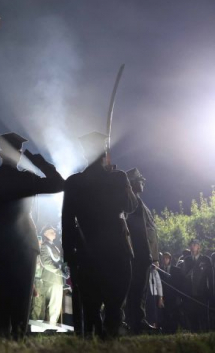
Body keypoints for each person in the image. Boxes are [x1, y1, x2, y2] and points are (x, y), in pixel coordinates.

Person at [0, 133, 64, 339]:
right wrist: (38, 161)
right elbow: (59, 184)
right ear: (19, 154)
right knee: (22, 298)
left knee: (3, 297)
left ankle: (5, 342)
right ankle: (18, 339)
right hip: (25, 244)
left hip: (0, 244)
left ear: (0, 153)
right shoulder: (26, 179)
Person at [62, 132, 137, 339]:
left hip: (87, 254)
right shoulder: (118, 177)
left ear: (84, 153)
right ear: (105, 153)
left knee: (91, 310)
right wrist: (123, 183)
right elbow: (131, 205)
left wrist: (69, 257)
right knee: (114, 308)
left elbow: (67, 223)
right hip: (117, 252)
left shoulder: (73, 182)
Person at [124, 167, 159, 333]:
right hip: (138, 254)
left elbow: (150, 231)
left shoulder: (139, 202)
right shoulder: (133, 202)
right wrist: (145, 255)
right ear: (131, 184)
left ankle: (138, 320)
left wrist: (154, 256)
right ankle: (136, 322)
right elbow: (137, 232)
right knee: (137, 289)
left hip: (145, 255)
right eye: (140, 180)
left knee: (141, 289)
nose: (143, 182)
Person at [178, 239, 212, 332]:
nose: (192, 247)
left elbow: (210, 278)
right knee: (191, 318)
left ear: (199, 247)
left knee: (203, 318)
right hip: (189, 295)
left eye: (194, 245)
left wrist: (211, 294)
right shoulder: (187, 260)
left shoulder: (206, 260)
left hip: (203, 295)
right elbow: (182, 277)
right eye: (191, 245)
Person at [40, 226, 64, 327]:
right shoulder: (45, 246)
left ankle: (52, 327)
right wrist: (60, 272)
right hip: (51, 279)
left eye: (54, 231)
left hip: (56, 280)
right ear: (45, 233)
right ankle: (49, 328)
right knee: (51, 306)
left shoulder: (53, 246)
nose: (54, 233)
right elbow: (46, 263)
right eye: (51, 231)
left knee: (56, 307)